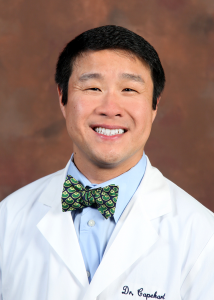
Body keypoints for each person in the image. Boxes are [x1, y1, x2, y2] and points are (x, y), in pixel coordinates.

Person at [0, 25, 214, 300]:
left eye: (129, 89)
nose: (110, 108)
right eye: (92, 87)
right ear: (62, 98)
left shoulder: (204, 236)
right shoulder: (7, 220)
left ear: (154, 105)